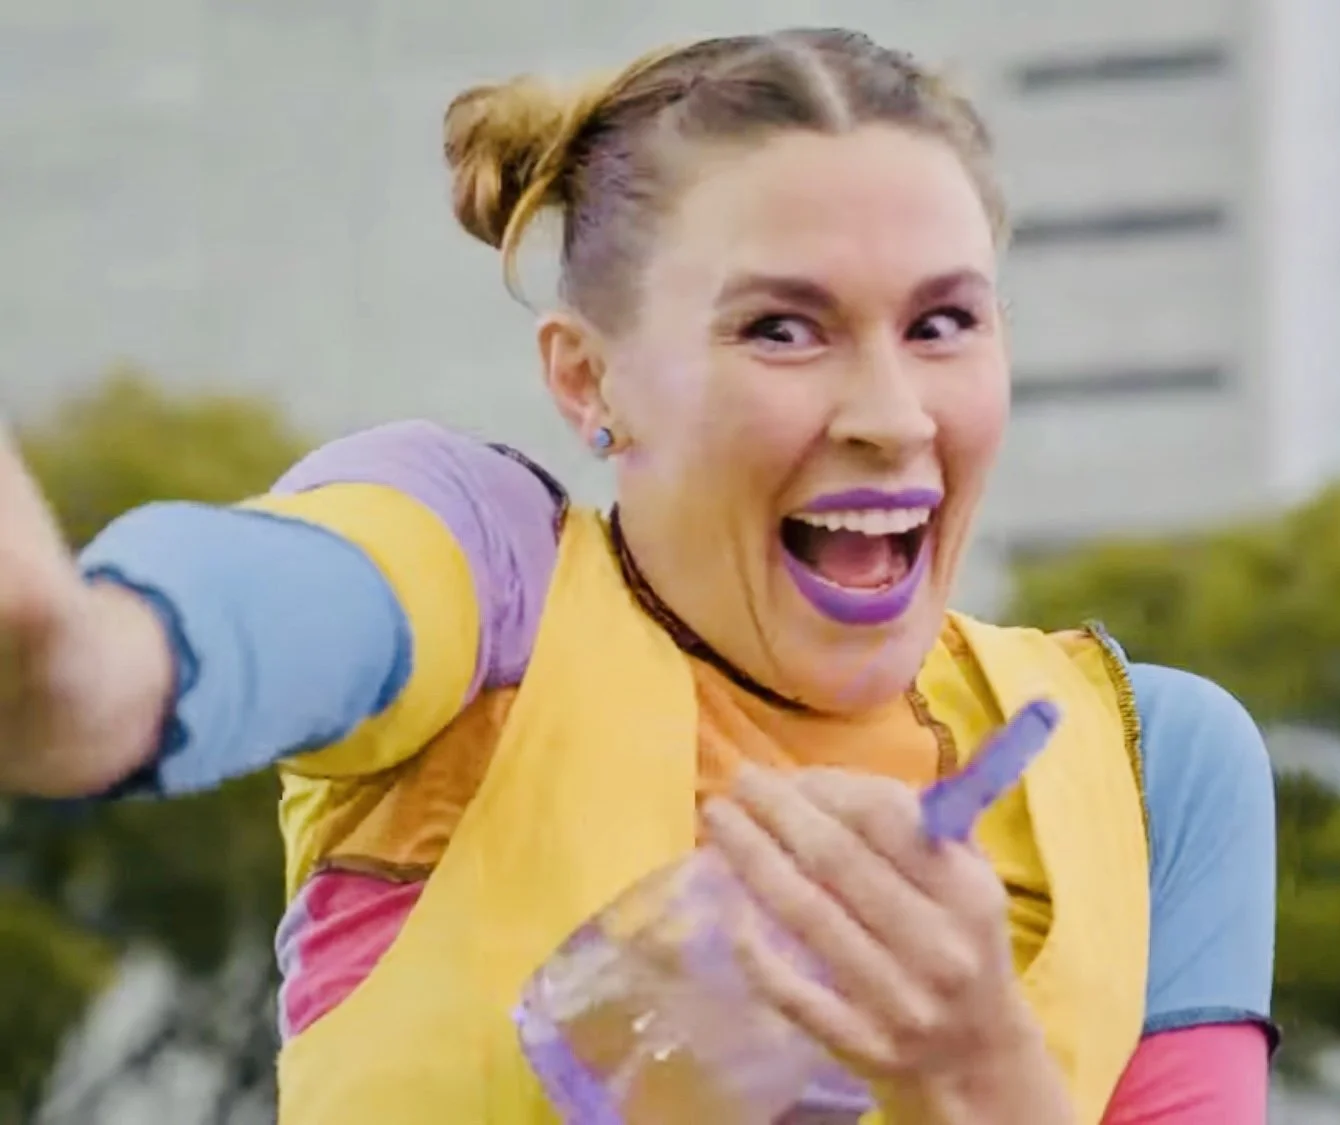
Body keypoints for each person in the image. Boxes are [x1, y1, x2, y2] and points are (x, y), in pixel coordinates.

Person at [0, 27, 1275, 1125]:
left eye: (942, 322)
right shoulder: (493, 582)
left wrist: (981, 1078)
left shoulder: (1153, 765)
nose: (891, 415)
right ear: (585, 378)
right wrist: (66, 661)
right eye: (781, 328)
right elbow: (188, 642)